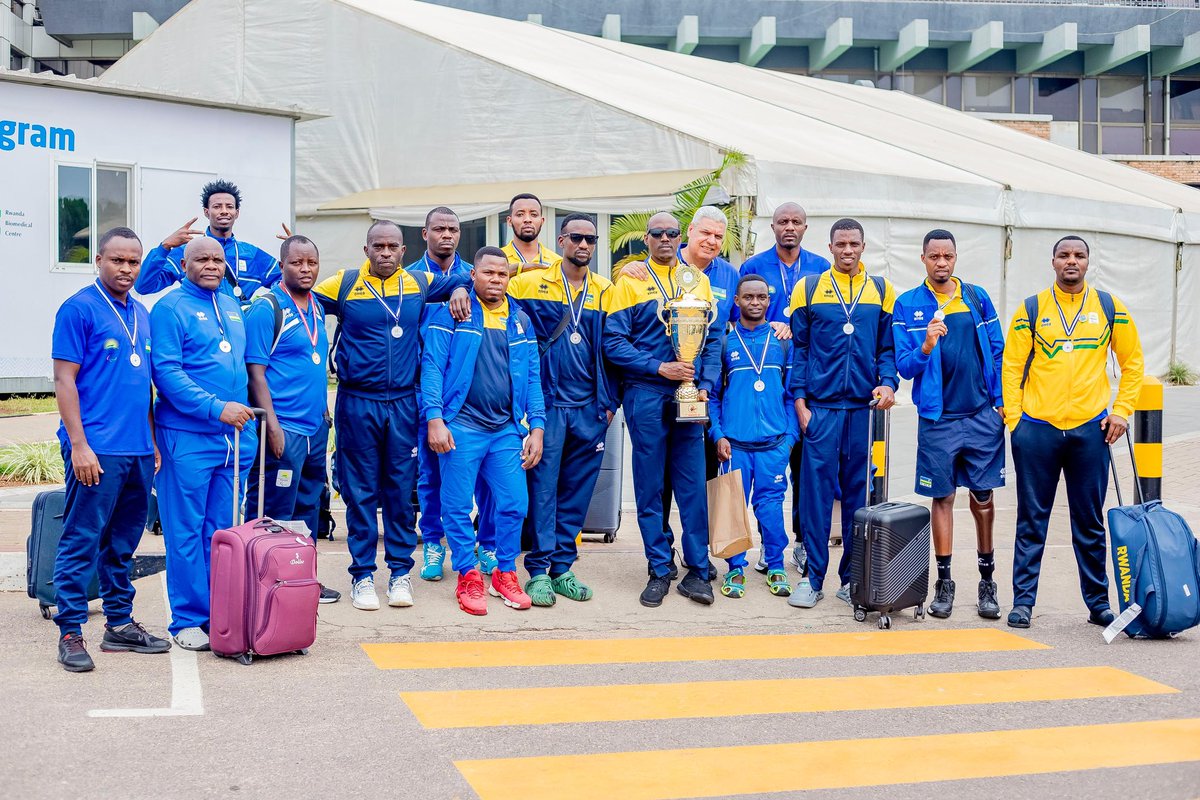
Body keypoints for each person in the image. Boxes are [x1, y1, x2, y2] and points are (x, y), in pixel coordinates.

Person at [313, 220, 469, 611]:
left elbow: (466, 279)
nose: (385, 252)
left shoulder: (418, 283)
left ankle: (400, 572)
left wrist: (463, 287)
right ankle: (362, 575)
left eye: (392, 246)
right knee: (361, 490)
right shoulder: (344, 284)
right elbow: (295, 293)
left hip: (402, 402)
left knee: (401, 490)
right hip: (356, 401)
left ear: (403, 251)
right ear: (366, 250)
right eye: (378, 246)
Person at [1001, 235, 1143, 629]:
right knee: (1031, 519)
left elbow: (1133, 364)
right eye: (1064, 255)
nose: (1071, 261)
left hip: (1089, 431)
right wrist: (1016, 422)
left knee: (1089, 521)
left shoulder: (1109, 308)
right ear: (1053, 262)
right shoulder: (1032, 308)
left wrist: (1121, 412)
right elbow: (1011, 368)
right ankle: (1023, 603)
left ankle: (1098, 605)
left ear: (1087, 263)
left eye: (1079, 256)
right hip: (1038, 430)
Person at [50, 227, 169, 672]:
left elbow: (146, 386)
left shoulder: (142, 312)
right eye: (117, 260)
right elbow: (64, 381)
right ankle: (70, 631)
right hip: (96, 449)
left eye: (133, 262)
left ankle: (119, 624)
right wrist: (79, 444)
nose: (126, 269)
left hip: (137, 450)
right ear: (98, 260)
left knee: (122, 544)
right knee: (81, 539)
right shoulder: (78, 309)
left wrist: (153, 441)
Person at [603, 212, 722, 607]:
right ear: (647, 239)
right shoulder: (630, 283)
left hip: (688, 395)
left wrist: (703, 383)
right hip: (647, 393)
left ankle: (698, 570)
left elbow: (712, 340)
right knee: (650, 487)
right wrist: (659, 367)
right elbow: (613, 343)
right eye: (658, 233)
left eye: (673, 232)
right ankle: (658, 567)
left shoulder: (699, 282)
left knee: (692, 486)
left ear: (680, 236)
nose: (666, 238)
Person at [421, 247, 546, 616]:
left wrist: (536, 427)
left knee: (514, 504)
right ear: (471, 275)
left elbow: (534, 379)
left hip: (505, 429)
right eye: (488, 273)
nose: (495, 279)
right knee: (457, 506)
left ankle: (505, 573)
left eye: (502, 274)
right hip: (461, 426)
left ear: (509, 278)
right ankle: (468, 575)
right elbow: (432, 367)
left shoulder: (520, 320)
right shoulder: (453, 313)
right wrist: (435, 418)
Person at [893, 229, 1006, 620]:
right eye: (934, 256)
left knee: (983, 497)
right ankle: (944, 582)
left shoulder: (975, 297)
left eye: (948, 256)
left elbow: (997, 349)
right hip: (938, 420)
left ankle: (987, 581)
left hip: (980, 417)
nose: (942, 262)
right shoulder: (907, 305)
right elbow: (904, 367)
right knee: (942, 498)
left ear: (955, 258)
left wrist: (1000, 404)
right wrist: (925, 345)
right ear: (922, 258)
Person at [150, 236, 256, 651]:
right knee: (186, 532)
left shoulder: (231, 304)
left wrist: (240, 416)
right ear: (183, 263)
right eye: (202, 259)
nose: (211, 265)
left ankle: (221, 613)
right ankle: (188, 619)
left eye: (217, 259)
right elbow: (168, 374)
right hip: (188, 437)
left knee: (223, 532)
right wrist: (216, 408)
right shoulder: (169, 308)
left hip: (234, 440)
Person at [788, 218, 897, 609]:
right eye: (840, 244)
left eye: (854, 244)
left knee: (859, 497)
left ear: (863, 247)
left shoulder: (882, 290)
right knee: (815, 497)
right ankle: (811, 578)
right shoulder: (810, 288)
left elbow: (887, 348)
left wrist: (888, 383)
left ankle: (852, 578)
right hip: (821, 408)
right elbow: (799, 348)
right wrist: (800, 401)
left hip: (863, 410)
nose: (847, 250)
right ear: (830, 247)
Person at [508, 214, 616, 605]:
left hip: (590, 408)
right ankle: (537, 569)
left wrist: (609, 404)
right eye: (576, 238)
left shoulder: (607, 290)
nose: (584, 245)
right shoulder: (529, 282)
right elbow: (495, 305)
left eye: (590, 238)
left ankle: (562, 568)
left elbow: (615, 349)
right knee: (542, 489)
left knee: (577, 491)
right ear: (561, 240)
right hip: (548, 406)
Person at [244, 235, 340, 604]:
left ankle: (302, 580)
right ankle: (265, 584)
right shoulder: (268, 307)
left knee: (308, 506)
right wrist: (272, 424)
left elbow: (311, 367)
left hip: (315, 427)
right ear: (282, 265)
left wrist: (324, 413)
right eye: (297, 263)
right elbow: (256, 374)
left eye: (311, 263)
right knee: (274, 511)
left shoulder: (315, 304)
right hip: (284, 428)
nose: (305, 269)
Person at [741, 202, 831, 572]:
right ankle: (767, 544)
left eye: (796, 222)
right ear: (773, 226)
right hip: (766, 380)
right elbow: (742, 319)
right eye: (782, 222)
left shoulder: (821, 268)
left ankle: (802, 542)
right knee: (767, 470)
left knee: (803, 469)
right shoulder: (754, 267)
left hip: (808, 378)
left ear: (806, 228)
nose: (789, 227)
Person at [709, 275, 798, 600]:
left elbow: (791, 394)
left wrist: (789, 438)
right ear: (737, 301)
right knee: (733, 508)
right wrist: (717, 434)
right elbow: (714, 397)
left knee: (771, 509)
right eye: (749, 297)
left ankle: (775, 564)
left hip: (774, 444)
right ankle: (735, 568)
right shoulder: (724, 343)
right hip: (735, 445)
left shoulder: (782, 342)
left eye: (761, 297)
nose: (756, 302)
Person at [415, 207, 485, 582]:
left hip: (470, 397)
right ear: (425, 233)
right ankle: (432, 542)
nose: (447, 235)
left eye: (453, 229)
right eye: (439, 228)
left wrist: (462, 283)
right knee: (430, 474)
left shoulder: (476, 276)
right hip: (426, 390)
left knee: (474, 476)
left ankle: (477, 542)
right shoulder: (409, 278)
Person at [135, 179, 281, 302]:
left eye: (229, 207)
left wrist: (261, 306)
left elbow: (287, 282)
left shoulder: (251, 254)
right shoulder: (188, 251)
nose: (224, 211)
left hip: (237, 331)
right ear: (207, 212)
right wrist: (164, 247)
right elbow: (144, 286)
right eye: (217, 206)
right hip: (198, 328)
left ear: (236, 213)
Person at [502, 193, 562, 274]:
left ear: (542, 221)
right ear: (509, 221)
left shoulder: (557, 263)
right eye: (520, 214)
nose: (527, 219)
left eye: (534, 214)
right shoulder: (496, 260)